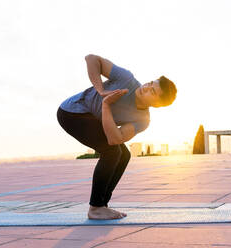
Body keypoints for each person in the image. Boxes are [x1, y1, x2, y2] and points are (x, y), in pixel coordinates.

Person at [56, 54, 177, 220]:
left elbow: (115, 138)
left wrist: (106, 105)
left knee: (123, 154)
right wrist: (101, 91)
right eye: (150, 83)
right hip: (72, 112)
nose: (146, 87)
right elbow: (91, 59)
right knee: (112, 153)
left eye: (152, 91)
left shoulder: (142, 120)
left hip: (94, 117)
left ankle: (102, 205)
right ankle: (96, 208)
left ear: (156, 104)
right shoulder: (126, 79)